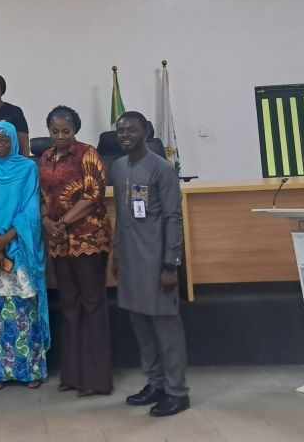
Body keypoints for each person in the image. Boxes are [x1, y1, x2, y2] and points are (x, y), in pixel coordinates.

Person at [111, 111, 190, 417]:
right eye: (120, 131)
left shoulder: (162, 170)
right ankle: (155, 383)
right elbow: (120, 213)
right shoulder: (117, 168)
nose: (125, 135)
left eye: (131, 130)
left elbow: (173, 217)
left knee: (166, 330)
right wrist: (117, 253)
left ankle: (177, 391)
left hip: (157, 263)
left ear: (146, 132)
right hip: (131, 262)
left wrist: (171, 264)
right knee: (141, 327)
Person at [38, 106, 113, 396]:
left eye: (65, 131)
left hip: (88, 238)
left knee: (92, 303)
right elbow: (43, 194)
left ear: (75, 130)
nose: (59, 136)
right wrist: (47, 220)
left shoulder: (87, 153)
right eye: (54, 131)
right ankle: (72, 375)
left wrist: (63, 221)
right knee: (69, 305)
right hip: (58, 241)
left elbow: (94, 194)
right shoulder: (44, 157)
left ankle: (96, 379)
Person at [0, 121, 49, 389]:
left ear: (14, 142)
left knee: (25, 311)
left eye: (5, 140)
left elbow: (31, 208)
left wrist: (6, 239)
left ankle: (31, 371)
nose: (0, 145)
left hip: (19, 248)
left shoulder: (28, 168)